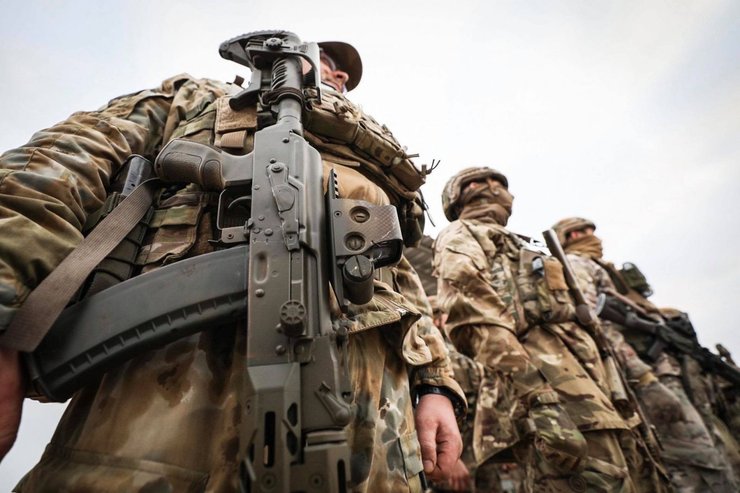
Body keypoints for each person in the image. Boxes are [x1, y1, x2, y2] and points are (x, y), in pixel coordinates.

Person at [0, 33, 464, 492]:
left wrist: (436, 386)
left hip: (376, 430)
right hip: (173, 392)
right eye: (324, 57)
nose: (337, 73)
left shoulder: (377, 161)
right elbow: (55, 168)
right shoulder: (199, 98)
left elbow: (402, 280)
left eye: (344, 73)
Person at [433, 167, 669, 492]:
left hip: (598, 396)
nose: (495, 189)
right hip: (555, 397)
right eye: (480, 183)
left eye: (500, 183)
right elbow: (474, 320)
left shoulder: (525, 246)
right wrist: (540, 401)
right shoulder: (462, 234)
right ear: (461, 196)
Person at [553, 217, 739, 491]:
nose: (593, 236)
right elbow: (594, 323)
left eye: (592, 230)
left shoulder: (607, 271)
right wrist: (644, 378)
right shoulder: (577, 264)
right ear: (569, 238)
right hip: (648, 378)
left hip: (669, 374)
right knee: (695, 463)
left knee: (713, 453)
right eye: (581, 232)